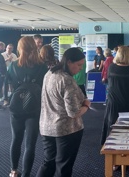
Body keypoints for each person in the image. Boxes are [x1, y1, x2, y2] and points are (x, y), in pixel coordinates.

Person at [37, 48, 91, 177]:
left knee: (48, 163)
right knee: (64, 166)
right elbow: (73, 112)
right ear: (69, 62)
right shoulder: (67, 80)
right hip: (66, 130)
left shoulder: (49, 73)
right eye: (78, 65)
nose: (80, 68)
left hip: (46, 126)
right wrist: (86, 106)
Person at [6, 37, 48, 177]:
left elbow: (10, 84)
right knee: (30, 144)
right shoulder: (42, 66)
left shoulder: (13, 65)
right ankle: (26, 174)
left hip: (16, 105)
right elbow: (44, 87)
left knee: (16, 139)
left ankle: (13, 170)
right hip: (34, 107)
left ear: (20, 48)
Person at [100, 46, 129, 172]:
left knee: (114, 132)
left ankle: (115, 162)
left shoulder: (112, 67)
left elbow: (108, 81)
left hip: (114, 104)